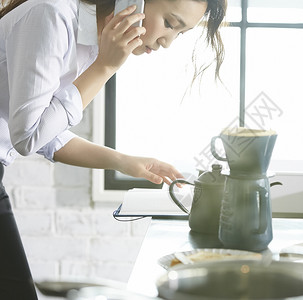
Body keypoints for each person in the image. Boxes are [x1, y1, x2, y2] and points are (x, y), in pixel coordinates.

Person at [0, 0, 227, 298]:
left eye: (180, 33)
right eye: (170, 23)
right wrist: (104, 67)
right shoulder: (52, 16)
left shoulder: (89, 41)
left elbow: (46, 136)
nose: (167, 42)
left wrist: (123, 161)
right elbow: (28, 137)